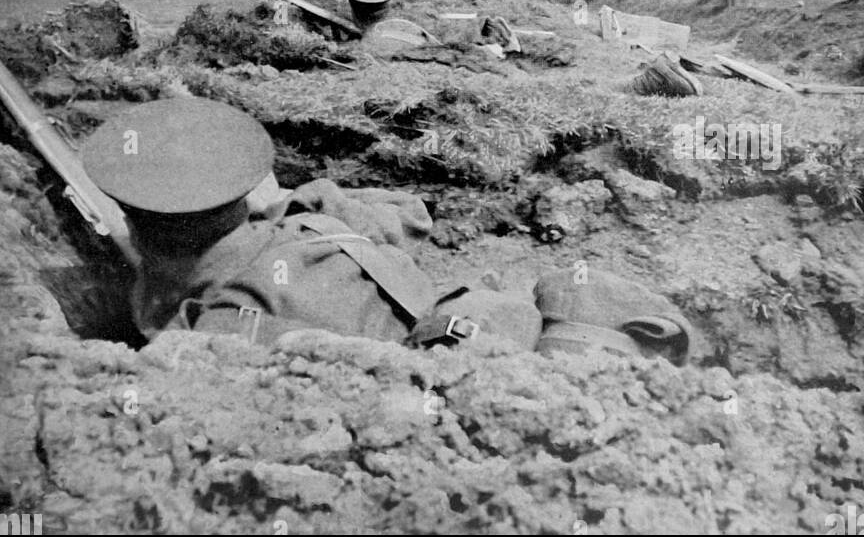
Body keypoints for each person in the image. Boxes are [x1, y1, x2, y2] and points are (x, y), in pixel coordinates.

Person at [81, 97, 690, 362]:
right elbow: (411, 215)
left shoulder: (222, 323)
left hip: (463, 373)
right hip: (485, 327)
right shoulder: (313, 217)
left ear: (138, 224)